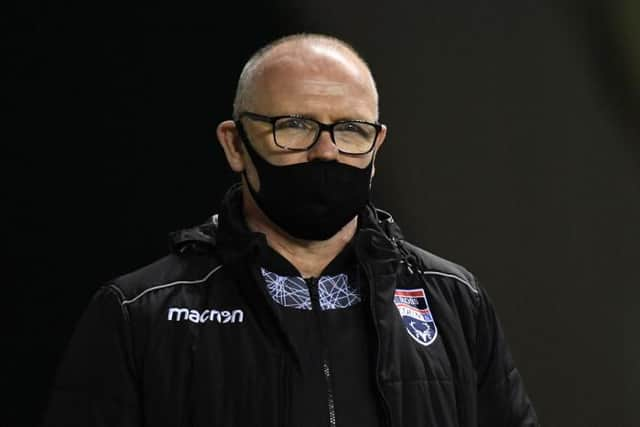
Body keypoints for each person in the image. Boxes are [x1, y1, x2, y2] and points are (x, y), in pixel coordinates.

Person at [44, 33, 538, 427]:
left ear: (376, 145)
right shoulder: (142, 313)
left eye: (350, 130)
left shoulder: (452, 298)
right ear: (235, 144)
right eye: (295, 125)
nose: (325, 152)